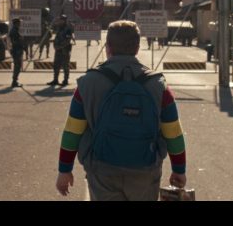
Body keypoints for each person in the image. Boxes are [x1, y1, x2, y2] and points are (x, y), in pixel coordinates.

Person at [55, 20, 187, 200]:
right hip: (145, 169)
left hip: (102, 169)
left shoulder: (88, 84)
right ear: (137, 47)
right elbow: (174, 133)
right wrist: (179, 170)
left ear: (107, 47)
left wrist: (65, 170)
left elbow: (72, 131)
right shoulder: (159, 86)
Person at [47, 14, 75, 87]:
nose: (60, 21)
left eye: (61, 20)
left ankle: (65, 80)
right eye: (59, 20)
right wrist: (55, 45)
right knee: (56, 65)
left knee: (65, 66)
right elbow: (57, 38)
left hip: (65, 51)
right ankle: (55, 79)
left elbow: (68, 40)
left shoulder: (68, 29)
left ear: (64, 20)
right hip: (58, 51)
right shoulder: (59, 28)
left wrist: (59, 46)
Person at [9, 18, 24, 88]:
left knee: (17, 66)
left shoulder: (15, 30)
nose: (20, 24)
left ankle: (15, 81)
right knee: (17, 66)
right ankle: (14, 82)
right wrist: (21, 42)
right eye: (19, 23)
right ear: (16, 23)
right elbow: (15, 42)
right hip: (17, 50)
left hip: (17, 50)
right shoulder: (14, 31)